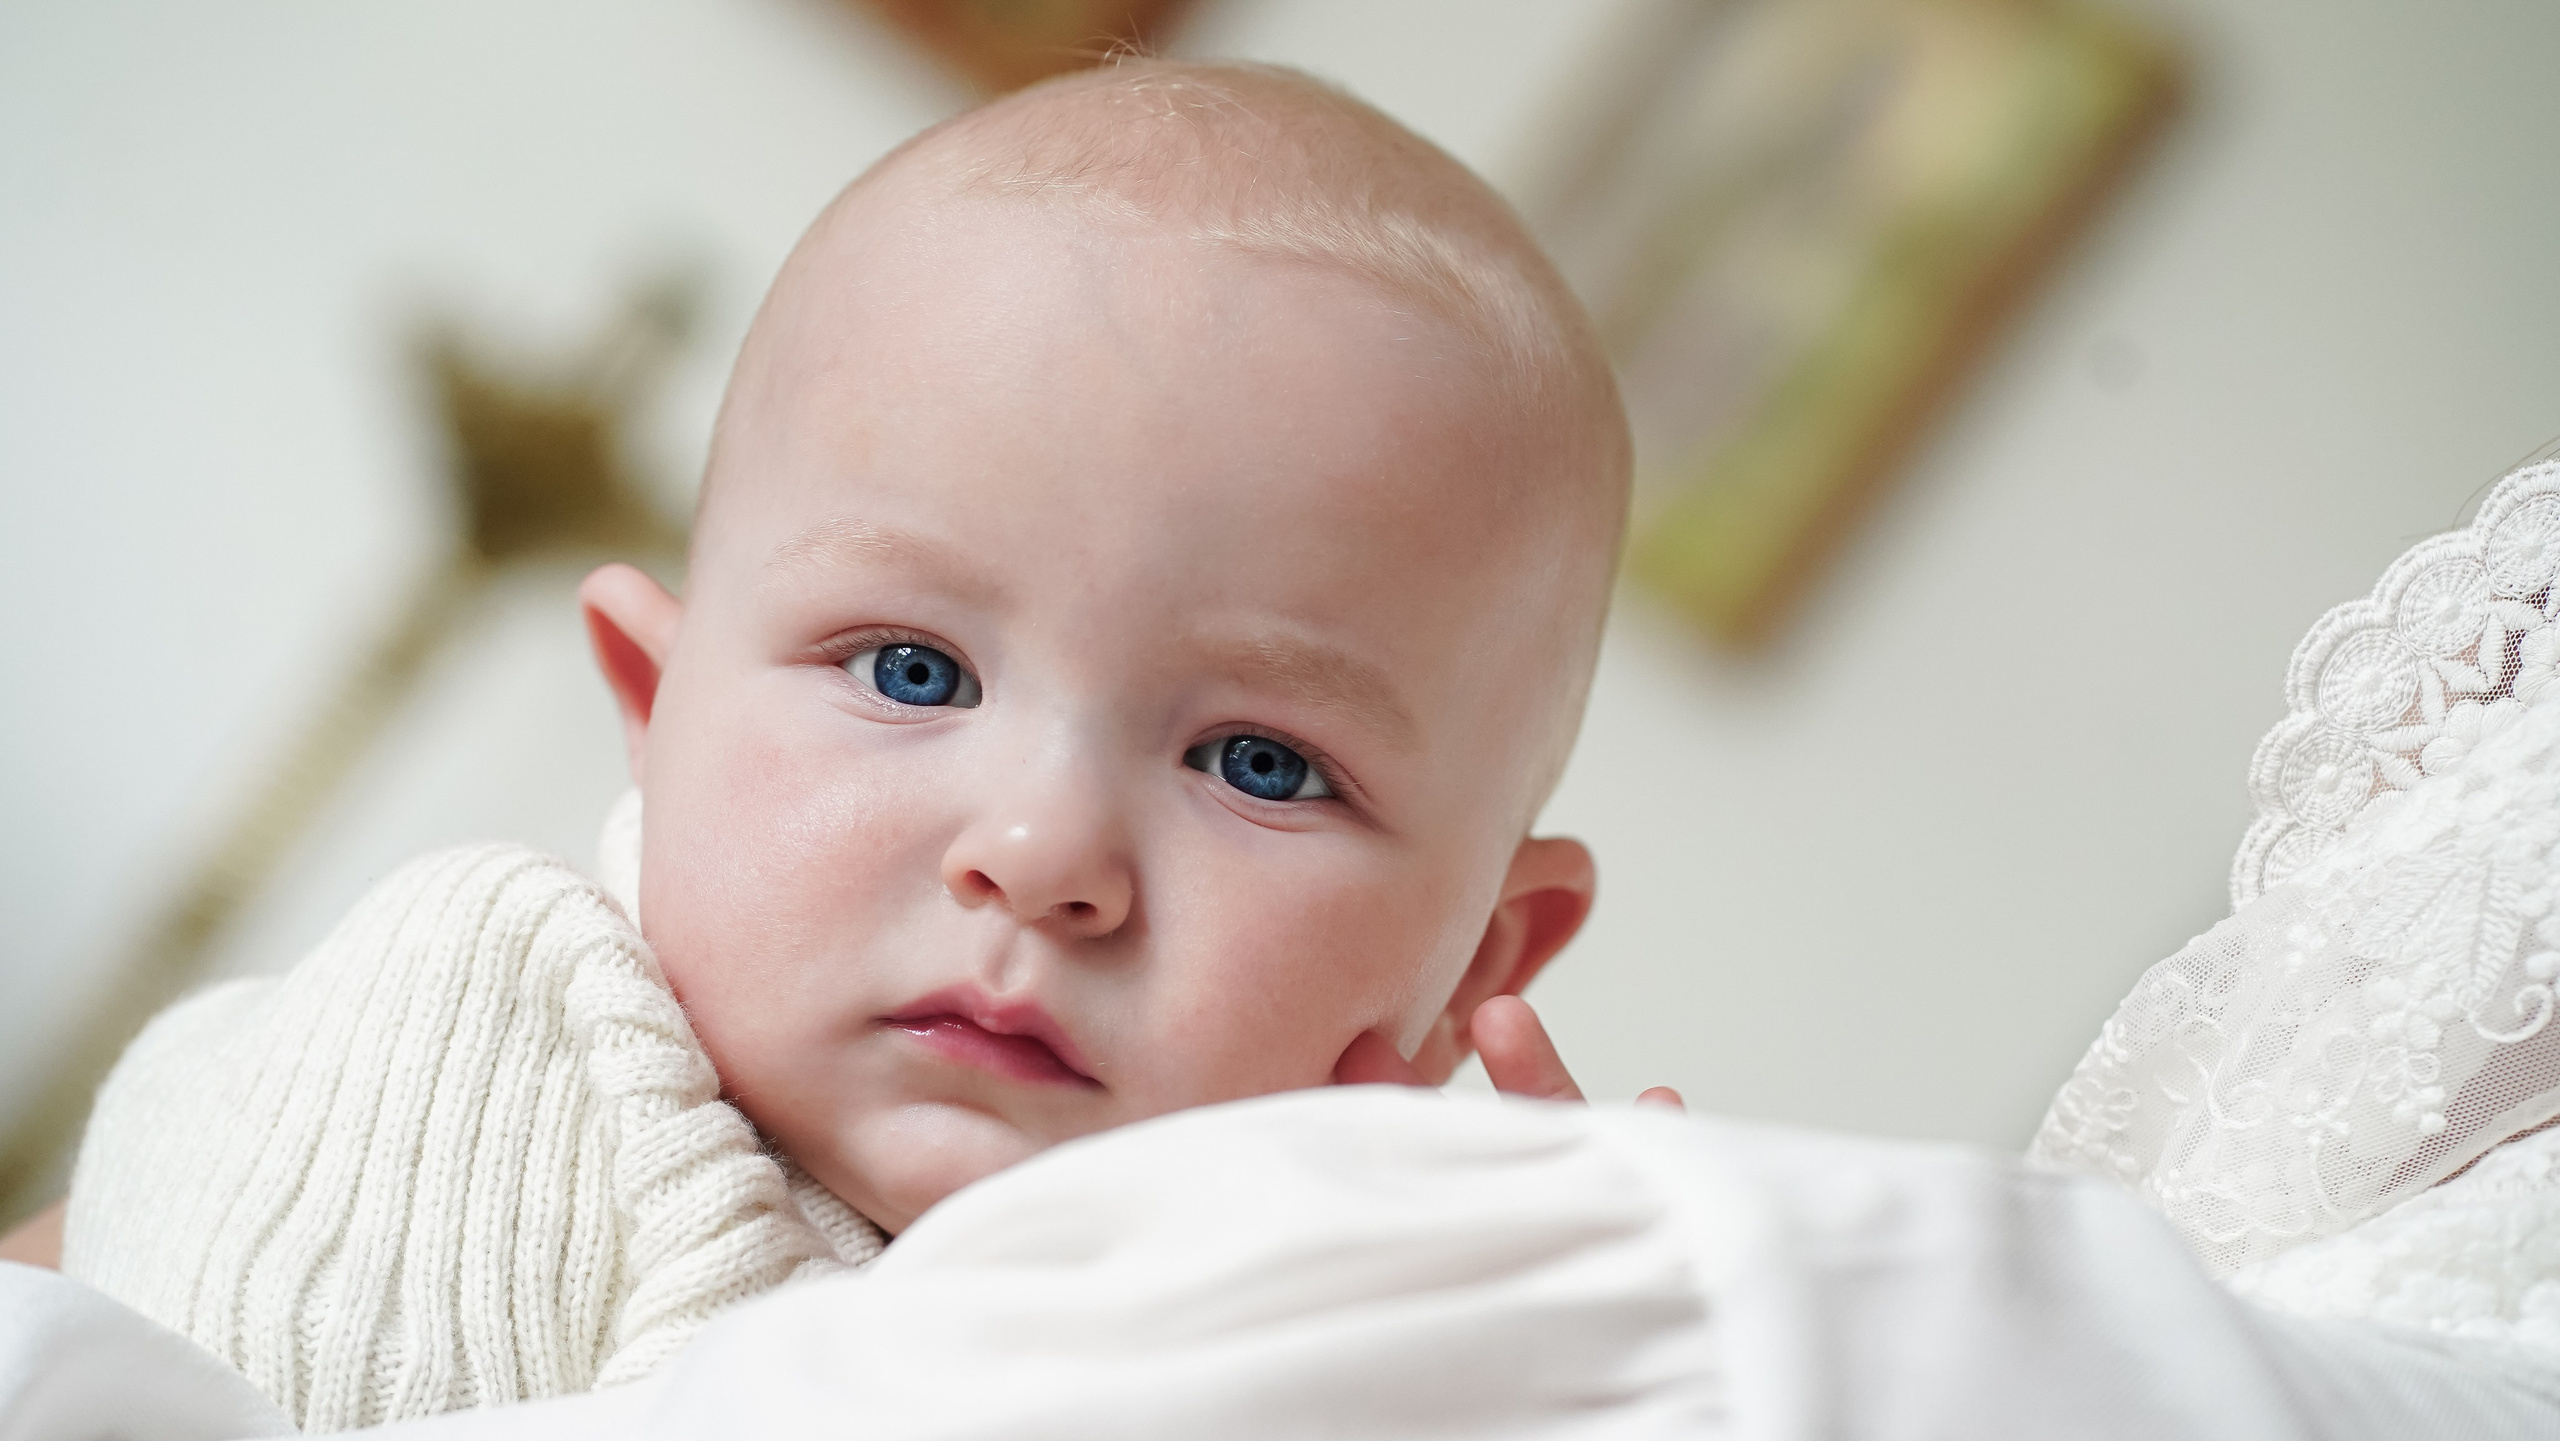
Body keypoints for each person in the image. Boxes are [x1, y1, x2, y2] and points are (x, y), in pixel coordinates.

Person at [22, 58, 1675, 1427]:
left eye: (1258, 763)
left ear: (1481, 963)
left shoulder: (1329, 1327)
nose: (1039, 857)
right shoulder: (475, 1033)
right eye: (910, 667)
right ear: (653, 711)